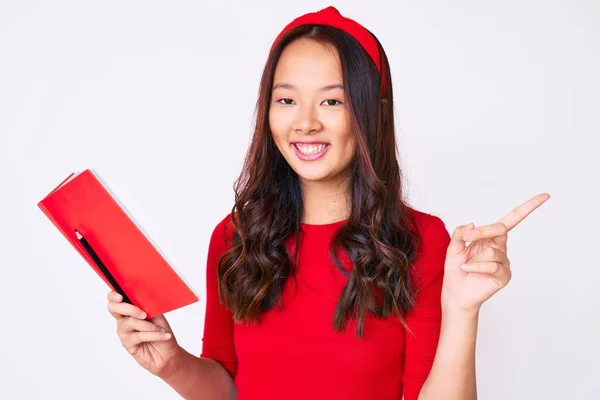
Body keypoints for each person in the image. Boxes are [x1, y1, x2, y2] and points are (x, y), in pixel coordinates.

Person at [106, 6, 549, 400]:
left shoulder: (421, 240)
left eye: (332, 100)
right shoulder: (236, 236)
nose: (305, 122)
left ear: (370, 112)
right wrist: (170, 363)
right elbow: (228, 387)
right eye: (286, 100)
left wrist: (462, 310)